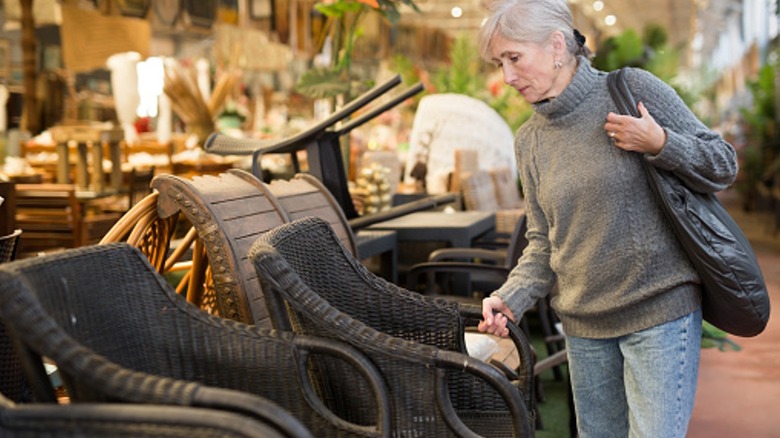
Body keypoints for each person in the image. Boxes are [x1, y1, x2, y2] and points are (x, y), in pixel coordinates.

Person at [475, 0, 738, 437]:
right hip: (585, 328)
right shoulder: (530, 142)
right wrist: (511, 297)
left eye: (514, 58)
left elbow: (723, 163)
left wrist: (661, 143)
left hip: (659, 315)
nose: (506, 76)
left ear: (556, 45)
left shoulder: (631, 90)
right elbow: (543, 242)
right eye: (499, 62)